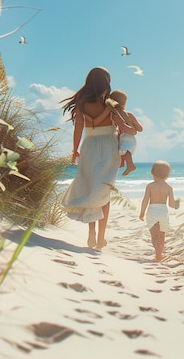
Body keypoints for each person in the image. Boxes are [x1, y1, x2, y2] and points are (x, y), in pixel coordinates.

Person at [59, 67, 131, 249]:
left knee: (92, 190)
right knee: (104, 192)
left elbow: (79, 128)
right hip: (109, 146)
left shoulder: (82, 102)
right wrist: (125, 149)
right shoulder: (110, 103)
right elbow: (122, 127)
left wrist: (75, 149)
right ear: (106, 81)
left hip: (89, 145)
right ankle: (101, 237)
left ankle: (91, 235)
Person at [139, 160, 179, 261]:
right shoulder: (169, 187)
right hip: (163, 212)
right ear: (167, 174)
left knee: (154, 235)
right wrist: (177, 205)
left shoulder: (150, 186)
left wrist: (142, 213)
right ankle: (160, 253)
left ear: (153, 172)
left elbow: (145, 200)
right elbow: (171, 204)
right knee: (162, 235)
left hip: (152, 211)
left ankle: (157, 254)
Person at [108, 89, 143, 176]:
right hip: (132, 139)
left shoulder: (113, 114)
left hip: (125, 137)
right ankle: (123, 163)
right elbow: (140, 128)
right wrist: (133, 127)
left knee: (125, 150)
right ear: (124, 103)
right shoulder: (129, 114)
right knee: (123, 150)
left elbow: (115, 129)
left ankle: (130, 165)